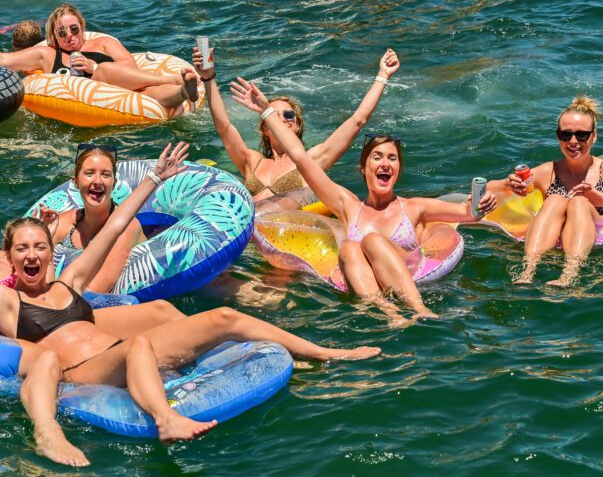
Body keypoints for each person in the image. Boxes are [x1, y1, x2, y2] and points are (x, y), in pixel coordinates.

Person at [1, 142, 380, 464]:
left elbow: (116, 226)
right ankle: (166, 420)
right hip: (85, 371)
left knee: (224, 316)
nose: (31, 255)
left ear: (51, 251)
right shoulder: (9, 301)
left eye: (38, 247)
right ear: (11, 257)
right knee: (138, 346)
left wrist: (154, 178)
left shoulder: (71, 282)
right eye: (22, 249)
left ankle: (323, 352)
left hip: (121, 350)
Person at [230, 78, 497, 323]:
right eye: (377, 158)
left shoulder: (414, 206)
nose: (385, 163)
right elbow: (300, 156)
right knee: (348, 249)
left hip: (410, 275)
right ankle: (389, 313)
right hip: (368, 289)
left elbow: (468, 212)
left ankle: (420, 311)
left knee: (370, 240)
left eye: (392, 158)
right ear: (363, 169)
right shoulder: (348, 205)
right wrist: (266, 111)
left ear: (398, 170)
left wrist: (482, 201)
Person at [192, 47, 400, 205]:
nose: (282, 119)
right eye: (274, 114)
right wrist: (208, 77)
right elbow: (224, 128)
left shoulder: (311, 160)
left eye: (289, 115)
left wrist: (382, 75)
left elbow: (357, 120)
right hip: (249, 241)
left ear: (298, 126)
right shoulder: (252, 162)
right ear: (265, 129)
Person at [487, 96, 603, 287]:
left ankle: (569, 274)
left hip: (595, 230)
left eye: (582, 135)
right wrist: (509, 183)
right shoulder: (547, 171)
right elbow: (489, 187)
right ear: (558, 137)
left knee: (579, 201)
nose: (573, 141)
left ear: (594, 136)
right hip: (552, 233)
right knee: (555, 199)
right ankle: (528, 270)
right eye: (566, 135)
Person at [0, 4, 199, 109]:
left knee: (147, 95)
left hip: (120, 91)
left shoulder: (103, 43)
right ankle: (178, 85)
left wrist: (93, 67)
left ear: (82, 28)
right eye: (62, 33)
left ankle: (182, 89)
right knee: (112, 76)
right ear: (53, 36)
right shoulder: (47, 54)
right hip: (78, 100)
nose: (69, 36)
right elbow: (6, 60)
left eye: (74, 29)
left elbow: (130, 66)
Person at [33, 144, 145, 294]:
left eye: (105, 175)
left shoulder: (126, 227)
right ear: (75, 182)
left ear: (114, 183)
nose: (97, 181)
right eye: (89, 173)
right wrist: (44, 237)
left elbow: (95, 290)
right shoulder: (65, 222)